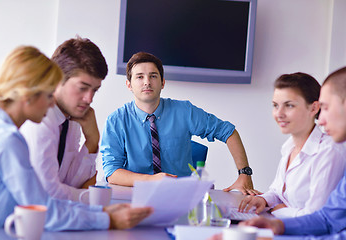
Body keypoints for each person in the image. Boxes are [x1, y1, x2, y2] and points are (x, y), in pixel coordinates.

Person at [0, 46, 152, 234]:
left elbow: (63, 191)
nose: (51, 104)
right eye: (49, 95)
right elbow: (44, 208)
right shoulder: (7, 140)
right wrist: (107, 218)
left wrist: (101, 212)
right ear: (27, 95)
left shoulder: (4, 132)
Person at [100, 51, 260, 195]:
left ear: (163, 83)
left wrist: (244, 174)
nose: (147, 82)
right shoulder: (116, 121)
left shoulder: (184, 111)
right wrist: (151, 180)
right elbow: (112, 173)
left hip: (180, 196)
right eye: (140, 77)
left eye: (153, 76)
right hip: (133, 195)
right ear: (129, 85)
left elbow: (228, 132)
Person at [237, 66, 346, 237]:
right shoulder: (288, 147)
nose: (322, 121)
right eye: (275, 105)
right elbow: (327, 219)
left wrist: (277, 213)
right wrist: (271, 212)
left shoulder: (331, 150)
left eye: (289, 105)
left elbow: (323, 220)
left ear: (313, 108)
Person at [21, 37, 106, 201]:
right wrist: (86, 196)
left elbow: (70, 183)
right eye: (82, 88)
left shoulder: (71, 119)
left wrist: (92, 140)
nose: (89, 99)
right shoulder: (40, 120)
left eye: (95, 90)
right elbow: (48, 195)